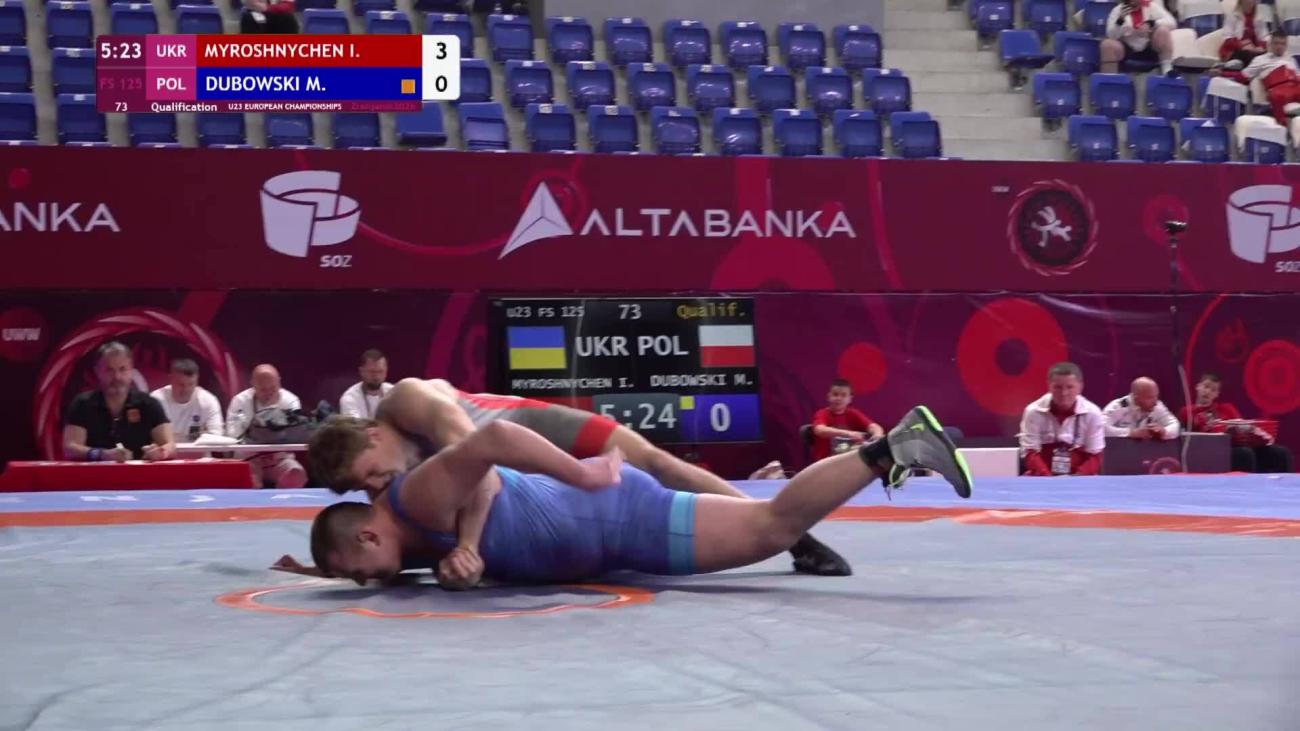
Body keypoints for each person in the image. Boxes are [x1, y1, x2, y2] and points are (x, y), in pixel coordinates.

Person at [309, 406, 972, 588]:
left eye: (357, 574)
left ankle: (893, 448)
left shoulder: (415, 501)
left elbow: (495, 441)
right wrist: (314, 567)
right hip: (614, 532)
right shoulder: (403, 537)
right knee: (765, 523)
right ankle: (891, 451)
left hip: (618, 514)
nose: (366, 584)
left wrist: (583, 476)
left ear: (367, 535)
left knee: (770, 527)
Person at [306, 378, 852, 576]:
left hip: (530, 428)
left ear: (373, 435)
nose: (375, 488)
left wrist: (469, 545)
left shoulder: (410, 400)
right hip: (524, 472)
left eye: (369, 474)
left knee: (656, 463)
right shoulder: (397, 471)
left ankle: (798, 539)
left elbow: (485, 463)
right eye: (363, 490)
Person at [1180, 372, 1294, 474]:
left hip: (1240, 444)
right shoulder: (1188, 412)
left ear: (1217, 394)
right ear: (1198, 387)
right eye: (1206, 386)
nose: (1208, 391)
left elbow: (1243, 427)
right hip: (1215, 451)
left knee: (1281, 453)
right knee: (1245, 454)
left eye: (1213, 390)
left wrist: (1248, 430)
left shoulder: (1227, 409)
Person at [226, 364, 308, 488]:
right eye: (263, 389)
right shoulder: (239, 401)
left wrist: (273, 411)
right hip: (249, 458)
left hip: (279, 459)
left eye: (273, 388)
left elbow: (294, 435)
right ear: (253, 385)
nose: (269, 392)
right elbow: (233, 435)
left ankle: (284, 500)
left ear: (279, 382)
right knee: (249, 478)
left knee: (296, 473)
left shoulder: (291, 401)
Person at [1018, 362, 1105, 476]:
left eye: (1070, 387)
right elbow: (1030, 453)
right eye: (1058, 387)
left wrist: (1076, 479)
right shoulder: (1033, 412)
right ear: (1049, 386)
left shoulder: (1093, 413)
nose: (1064, 393)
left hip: (1081, 478)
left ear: (1080, 387)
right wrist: (1048, 479)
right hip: (1042, 477)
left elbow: (1096, 456)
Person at [809, 378, 885, 462]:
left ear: (850, 399)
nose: (839, 398)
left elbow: (873, 426)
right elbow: (819, 430)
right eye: (835, 394)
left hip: (848, 461)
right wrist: (848, 434)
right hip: (826, 462)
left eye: (843, 395)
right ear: (829, 396)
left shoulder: (853, 413)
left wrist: (877, 435)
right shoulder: (822, 413)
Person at [150, 358, 224, 443]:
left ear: (197, 379)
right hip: (163, 450)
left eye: (191, 384)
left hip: (197, 451)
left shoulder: (208, 400)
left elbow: (216, 435)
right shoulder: (156, 400)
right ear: (171, 379)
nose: (186, 389)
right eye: (181, 384)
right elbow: (146, 434)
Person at [1100, 0, 1176, 75]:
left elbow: (1172, 22)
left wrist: (1151, 24)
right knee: (1107, 44)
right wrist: (1120, 22)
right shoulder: (1117, 11)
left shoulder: (1151, 6)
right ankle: (1109, 78)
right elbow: (1111, 35)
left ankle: (1167, 71)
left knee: (1163, 31)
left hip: (1149, 45)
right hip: (1127, 47)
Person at [1101, 377, 1180, 441]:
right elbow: (1101, 428)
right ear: (1136, 397)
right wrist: (1131, 433)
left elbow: (1175, 425)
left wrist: (1164, 431)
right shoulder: (1119, 406)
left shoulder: (1157, 406)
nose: (1155, 402)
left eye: (1156, 396)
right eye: (1150, 397)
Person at [339, 349, 393, 419]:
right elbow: (356, 426)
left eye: (380, 371)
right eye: (372, 372)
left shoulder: (393, 392)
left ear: (386, 371)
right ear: (361, 371)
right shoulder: (349, 398)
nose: (377, 376)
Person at [1220, 0, 1270, 70]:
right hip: (1235, 51)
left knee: (1268, 55)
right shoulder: (1232, 16)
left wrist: (1260, 47)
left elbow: (1264, 37)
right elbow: (1227, 38)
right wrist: (1242, 45)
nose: (1250, 1)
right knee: (1249, 56)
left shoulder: (1259, 18)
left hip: (1254, 51)